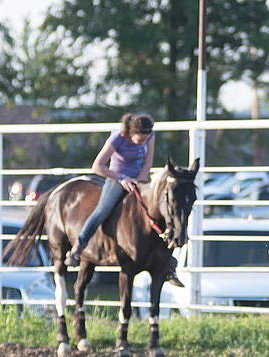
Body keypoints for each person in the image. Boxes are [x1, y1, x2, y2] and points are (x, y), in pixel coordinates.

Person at [65, 113, 183, 287]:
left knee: (159, 209)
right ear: (130, 133)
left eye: (145, 139)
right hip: (117, 178)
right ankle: (79, 246)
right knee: (103, 210)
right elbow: (97, 166)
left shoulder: (149, 135)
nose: (143, 142)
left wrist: (141, 183)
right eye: (139, 140)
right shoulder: (117, 139)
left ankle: (167, 261)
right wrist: (122, 178)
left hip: (139, 179)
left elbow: (147, 163)